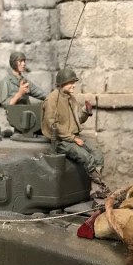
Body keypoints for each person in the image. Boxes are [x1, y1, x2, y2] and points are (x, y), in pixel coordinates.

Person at [41, 67, 109, 201]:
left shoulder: (71, 99)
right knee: (85, 156)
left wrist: (85, 112)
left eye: (74, 82)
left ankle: (96, 186)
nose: (74, 85)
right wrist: (73, 138)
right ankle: (99, 186)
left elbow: (78, 120)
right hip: (61, 141)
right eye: (71, 82)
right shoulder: (51, 100)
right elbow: (53, 125)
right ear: (62, 83)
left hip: (74, 136)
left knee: (97, 153)